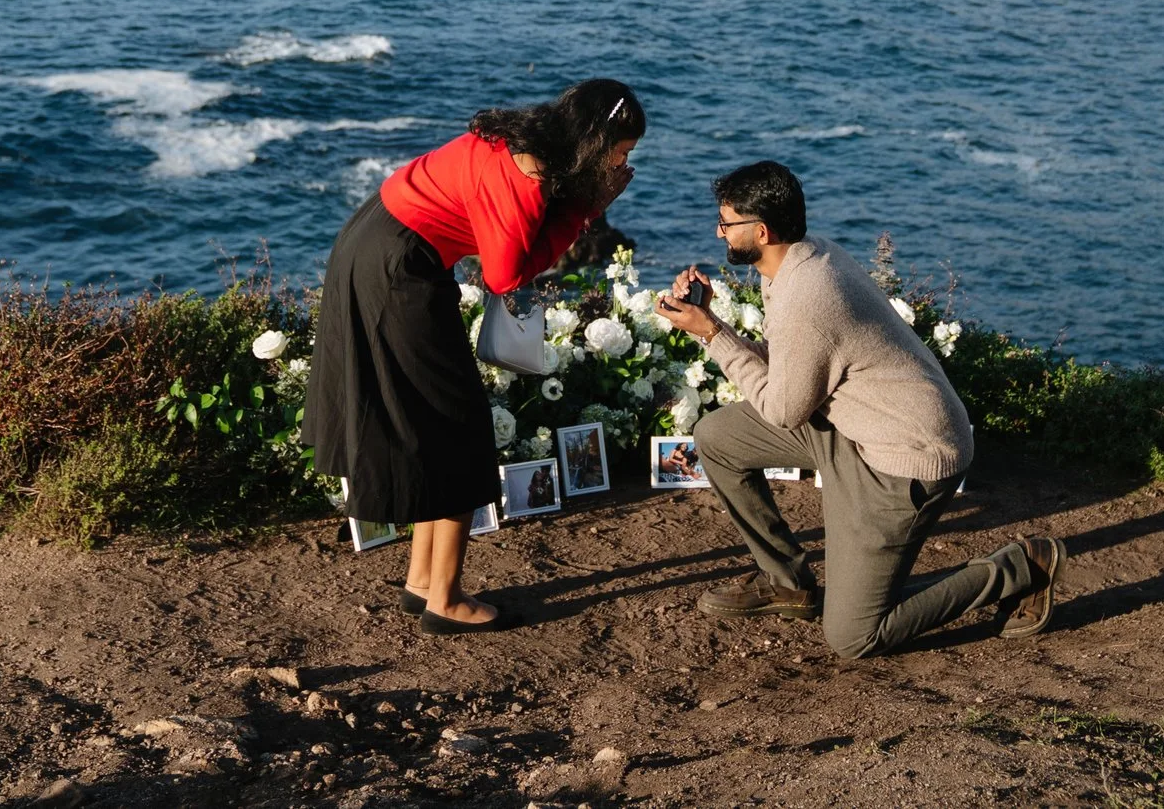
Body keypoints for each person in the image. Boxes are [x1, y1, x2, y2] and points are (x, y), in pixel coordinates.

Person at [656, 161, 1060, 658]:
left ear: (760, 231)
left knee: (852, 636)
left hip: (906, 461)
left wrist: (712, 335)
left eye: (726, 223)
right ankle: (787, 584)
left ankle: (1021, 567)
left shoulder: (809, 291)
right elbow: (797, 367)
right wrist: (713, 320)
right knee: (718, 437)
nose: (719, 232)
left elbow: (782, 409)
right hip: (856, 426)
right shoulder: (799, 259)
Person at [305, 77, 643, 633]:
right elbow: (507, 274)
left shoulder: (522, 139)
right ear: (592, 143)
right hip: (398, 267)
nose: (622, 164)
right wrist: (585, 207)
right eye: (620, 153)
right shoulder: (528, 174)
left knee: (438, 424)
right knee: (458, 428)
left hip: (380, 240)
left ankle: (422, 581)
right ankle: (446, 600)